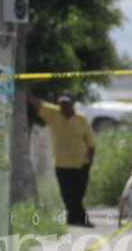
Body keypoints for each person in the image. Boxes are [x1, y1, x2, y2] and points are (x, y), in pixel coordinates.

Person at [27, 91, 97, 227]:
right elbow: (38, 104)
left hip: (81, 164)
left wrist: (90, 161)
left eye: (67, 103)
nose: (64, 106)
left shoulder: (81, 119)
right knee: (67, 194)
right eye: (62, 103)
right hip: (62, 163)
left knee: (79, 194)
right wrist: (23, 90)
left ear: (72, 104)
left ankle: (73, 218)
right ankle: (81, 219)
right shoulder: (54, 114)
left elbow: (91, 143)